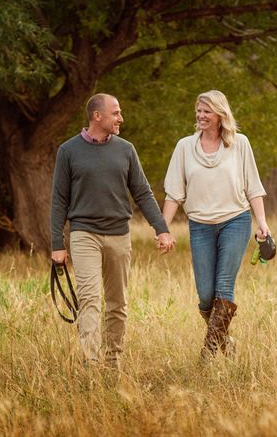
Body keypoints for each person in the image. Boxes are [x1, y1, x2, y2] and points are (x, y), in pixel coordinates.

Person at [50, 93, 174, 369]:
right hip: (84, 234)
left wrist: (162, 229)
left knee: (117, 302)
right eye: (116, 113)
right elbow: (59, 199)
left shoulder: (126, 149)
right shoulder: (68, 151)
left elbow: (142, 193)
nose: (121, 118)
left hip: (119, 234)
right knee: (90, 298)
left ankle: (113, 360)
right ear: (97, 116)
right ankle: (91, 362)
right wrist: (57, 243)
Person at [161, 90, 271, 358]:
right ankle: (225, 341)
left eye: (206, 111)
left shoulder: (240, 143)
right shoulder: (184, 147)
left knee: (224, 286)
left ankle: (208, 352)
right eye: (199, 111)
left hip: (236, 221)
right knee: (206, 294)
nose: (200, 116)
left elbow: (253, 186)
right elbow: (174, 192)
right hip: (200, 226)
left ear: (220, 115)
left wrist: (262, 223)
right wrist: (163, 228)